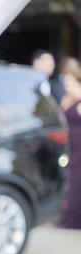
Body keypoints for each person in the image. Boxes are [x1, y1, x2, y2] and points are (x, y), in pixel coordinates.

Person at [59, 62, 81, 230]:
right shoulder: (67, 99)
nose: (66, 86)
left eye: (69, 83)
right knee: (70, 179)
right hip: (69, 145)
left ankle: (73, 220)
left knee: (76, 180)